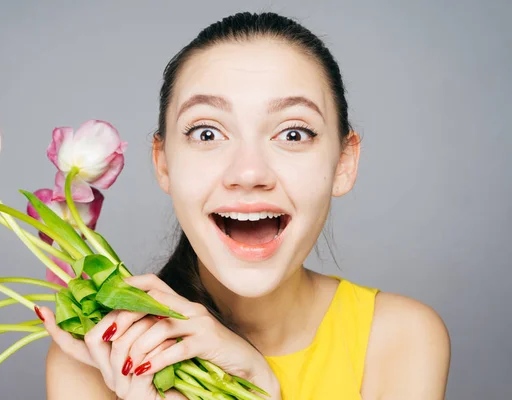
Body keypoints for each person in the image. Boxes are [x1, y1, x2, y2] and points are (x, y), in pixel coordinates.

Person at [39, 11, 451, 400]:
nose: (249, 172)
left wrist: (261, 386)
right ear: (163, 163)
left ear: (343, 163)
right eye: (206, 133)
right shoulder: (97, 354)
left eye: (293, 134)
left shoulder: (400, 338)